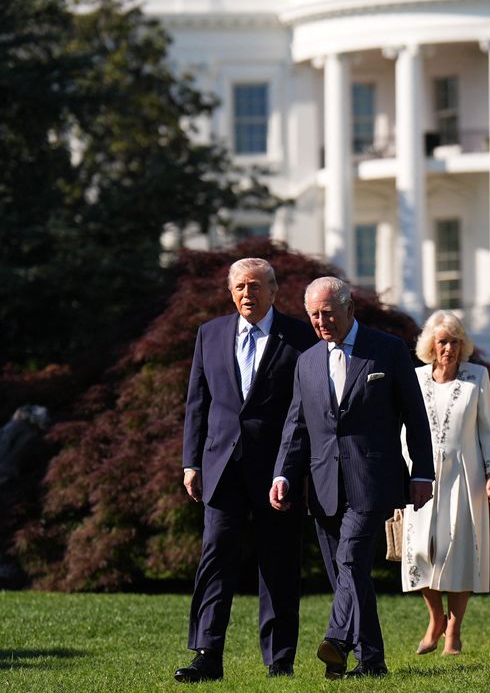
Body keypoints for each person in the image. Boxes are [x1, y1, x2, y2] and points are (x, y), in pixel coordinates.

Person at [270, 276, 434, 679]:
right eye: (313, 315)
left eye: (328, 313)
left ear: (349, 309)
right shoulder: (307, 361)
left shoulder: (388, 350)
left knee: (351, 558)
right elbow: (297, 426)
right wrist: (283, 475)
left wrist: (423, 473)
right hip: (323, 482)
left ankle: (337, 640)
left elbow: (416, 416)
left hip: (372, 477)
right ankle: (371, 660)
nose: (321, 322)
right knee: (350, 574)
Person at [175, 258, 318, 682]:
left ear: (274, 291)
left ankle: (279, 661)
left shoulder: (298, 336)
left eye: (255, 286)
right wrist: (190, 462)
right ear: (230, 291)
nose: (246, 294)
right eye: (239, 286)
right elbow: (196, 402)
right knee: (215, 559)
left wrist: (294, 467)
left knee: (278, 565)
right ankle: (206, 655)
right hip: (221, 468)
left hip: (279, 471)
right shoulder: (210, 333)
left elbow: (307, 408)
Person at [401, 310, 490, 657]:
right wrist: (409, 470)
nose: (449, 348)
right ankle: (435, 620)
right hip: (423, 477)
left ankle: (454, 631)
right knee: (420, 551)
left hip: (465, 475)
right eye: (443, 342)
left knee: (457, 553)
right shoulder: (415, 379)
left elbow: (488, 430)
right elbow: (404, 431)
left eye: (455, 342)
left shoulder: (478, 377)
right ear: (431, 345)